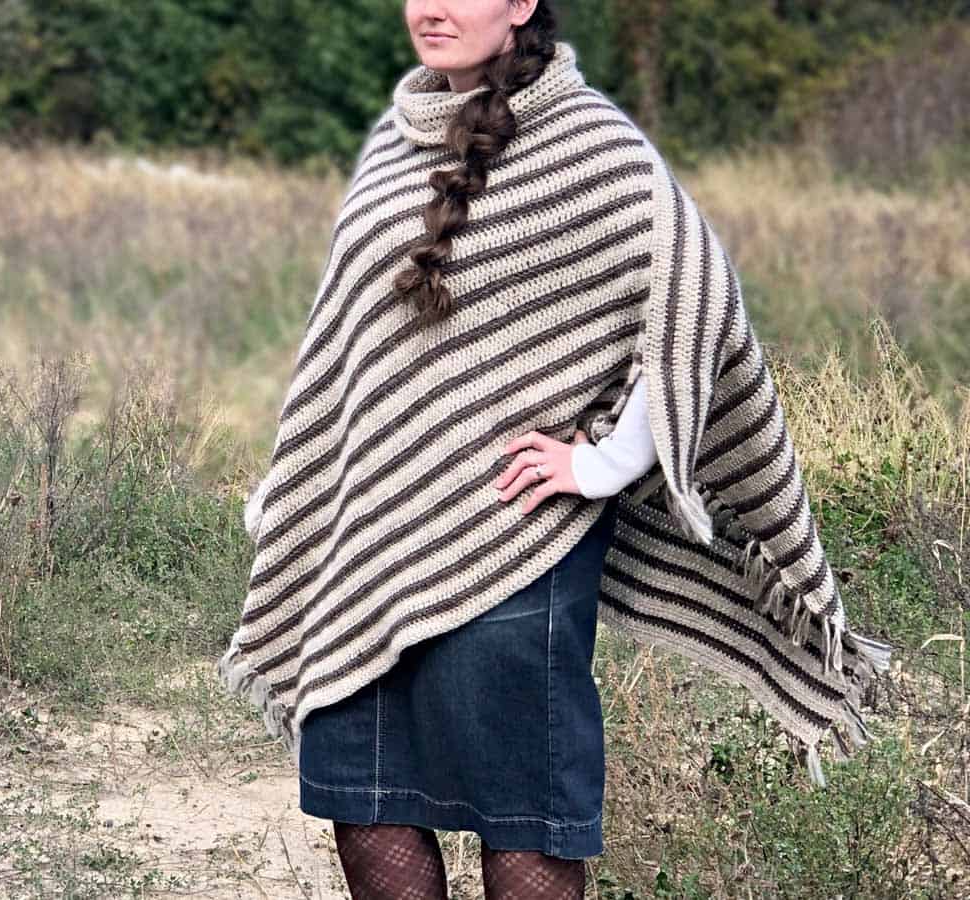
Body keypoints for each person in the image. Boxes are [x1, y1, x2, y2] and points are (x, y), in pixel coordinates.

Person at [217, 0, 892, 897]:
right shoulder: (396, 141)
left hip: (517, 540)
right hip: (373, 539)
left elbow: (696, 302)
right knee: (370, 803)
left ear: (523, 3)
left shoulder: (590, 145)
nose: (432, 5)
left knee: (523, 823)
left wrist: (606, 462)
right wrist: (313, 481)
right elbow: (356, 347)